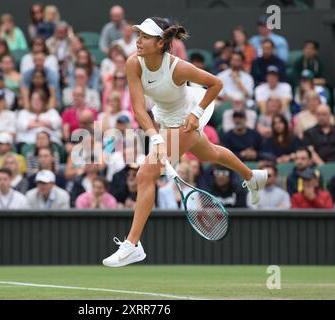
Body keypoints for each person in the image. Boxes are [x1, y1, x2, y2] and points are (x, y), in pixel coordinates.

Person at [103, 17, 268, 267]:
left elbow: (216, 83)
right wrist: (156, 136)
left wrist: (197, 113)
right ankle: (252, 176)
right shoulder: (133, 64)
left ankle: (133, 244)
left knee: (146, 174)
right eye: (138, 35)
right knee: (210, 154)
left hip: (188, 117)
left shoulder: (178, 68)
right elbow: (138, 109)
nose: (138, 40)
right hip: (166, 118)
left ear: (160, 43)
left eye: (145, 37)